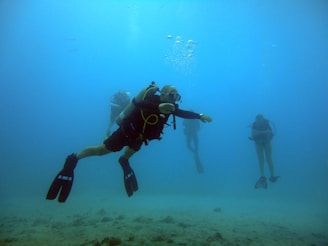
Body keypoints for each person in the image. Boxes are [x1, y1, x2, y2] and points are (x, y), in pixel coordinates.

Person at [46, 82, 213, 202]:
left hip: (140, 138)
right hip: (126, 133)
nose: (174, 98)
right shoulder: (152, 101)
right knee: (101, 151)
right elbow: (143, 106)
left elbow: (183, 113)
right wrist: (158, 108)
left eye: (177, 95)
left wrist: (199, 116)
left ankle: (124, 161)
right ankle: (74, 158)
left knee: (129, 154)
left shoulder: (171, 106)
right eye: (171, 94)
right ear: (162, 94)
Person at [249, 114, 279, 189]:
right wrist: (263, 132)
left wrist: (260, 132)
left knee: (268, 159)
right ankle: (263, 176)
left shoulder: (266, 123)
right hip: (258, 142)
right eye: (257, 118)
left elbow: (270, 132)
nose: (259, 119)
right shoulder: (255, 124)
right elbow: (253, 134)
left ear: (262, 118)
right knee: (261, 159)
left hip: (266, 142)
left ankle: (271, 175)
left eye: (260, 118)